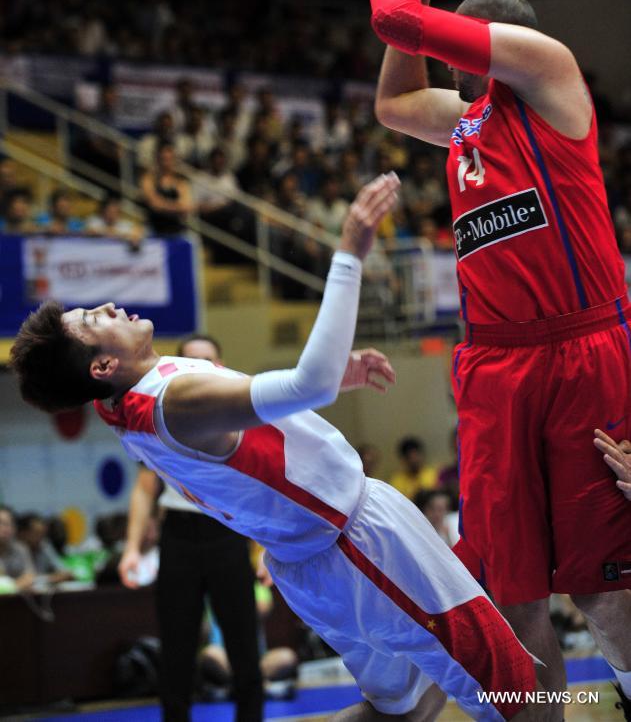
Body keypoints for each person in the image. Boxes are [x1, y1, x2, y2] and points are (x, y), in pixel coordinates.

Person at [10, 174, 540, 722]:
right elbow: (306, 384)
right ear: (102, 366)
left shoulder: (114, 404)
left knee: (401, 711)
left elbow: (277, 402)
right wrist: (350, 253)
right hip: (358, 543)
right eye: (96, 319)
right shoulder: (173, 400)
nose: (111, 305)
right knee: (517, 690)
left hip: (318, 560)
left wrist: (335, 375)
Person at [365, 0, 631, 720]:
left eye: (469, 52)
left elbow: (399, 25)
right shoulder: (467, 123)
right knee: (509, 593)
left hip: (581, 351)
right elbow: (392, 102)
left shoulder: (551, 79)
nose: (457, 72)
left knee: (602, 587)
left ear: (509, 44)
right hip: (492, 365)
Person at [119, 333, 264, 722]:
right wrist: (132, 547)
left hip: (227, 534)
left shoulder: (240, 412)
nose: (199, 365)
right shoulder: (162, 413)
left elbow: (261, 489)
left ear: (219, 365)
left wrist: (267, 549)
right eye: (191, 359)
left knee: (243, 642)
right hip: (179, 536)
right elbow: (144, 487)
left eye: (207, 359)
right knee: (177, 644)